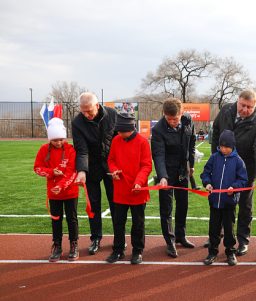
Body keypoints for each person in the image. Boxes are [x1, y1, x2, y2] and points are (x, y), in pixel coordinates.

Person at [209, 89, 256, 256]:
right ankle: (216, 235)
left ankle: (243, 240)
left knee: (245, 205)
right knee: (219, 201)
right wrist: (215, 158)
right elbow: (216, 132)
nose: (246, 110)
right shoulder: (226, 110)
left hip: (245, 169)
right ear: (238, 101)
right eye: (243, 105)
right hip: (223, 166)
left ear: (255, 106)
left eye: (250, 107)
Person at [72, 92, 117, 255]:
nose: (86, 115)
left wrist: (118, 165)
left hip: (112, 166)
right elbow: (81, 149)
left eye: (89, 111)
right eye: (83, 111)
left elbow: (119, 142)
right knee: (94, 204)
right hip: (91, 167)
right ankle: (96, 238)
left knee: (116, 202)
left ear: (97, 106)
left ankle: (118, 239)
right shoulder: (77, 122)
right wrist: (82, 170)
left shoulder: (112, 115)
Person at [151, 98, 196, 258]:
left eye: (175, 119)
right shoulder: (157, 130)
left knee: (183, 204)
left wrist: (190, 165)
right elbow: (158, 155)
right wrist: (162, 176)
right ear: (164, 114)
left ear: (181, 113)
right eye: (168, 119)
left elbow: (192, 142)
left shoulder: (188, 120)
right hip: (167, 172)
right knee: (167, 208)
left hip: (183, 170)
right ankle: (170, 242)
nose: (171, 122)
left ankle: (180, 236)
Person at [106, 113, 152, 264]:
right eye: (117, 131)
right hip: (120, 189)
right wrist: (113, 170)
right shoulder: (116, 140)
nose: (118, 133)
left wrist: (139, 182)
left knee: (138, 223)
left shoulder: (143, 142)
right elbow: (111, 159)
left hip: (137, 190)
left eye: (121, 131)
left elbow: (146, 165)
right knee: (118, 221)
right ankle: (118, 250)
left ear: (130, 129)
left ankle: (137, 251)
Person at [34, 118, 79, 262]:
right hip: (53, 193)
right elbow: (37, 168)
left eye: (61, 139)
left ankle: (74, 244)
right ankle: (57, 245)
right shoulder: (43, 149)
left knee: (72, 219)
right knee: (56, 220)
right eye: (55, 140)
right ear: (50, 139)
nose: (58, 143)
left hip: (70, 192)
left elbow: (73, 172)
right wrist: (52, 172)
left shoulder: (71, 150)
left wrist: (61, 186)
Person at [201, 130, 248, 266]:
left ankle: (230, 252)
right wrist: (207, 183)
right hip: (214, 201)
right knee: (213, 229)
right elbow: (205, 173)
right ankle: (212, 252)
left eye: (227, 147)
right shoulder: (214, 157)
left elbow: (243, 179)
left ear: (232, 146)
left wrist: (234, 187)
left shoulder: (238, 161)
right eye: (221, 146)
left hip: (229, 202)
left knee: (229, 230)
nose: (224, 149)